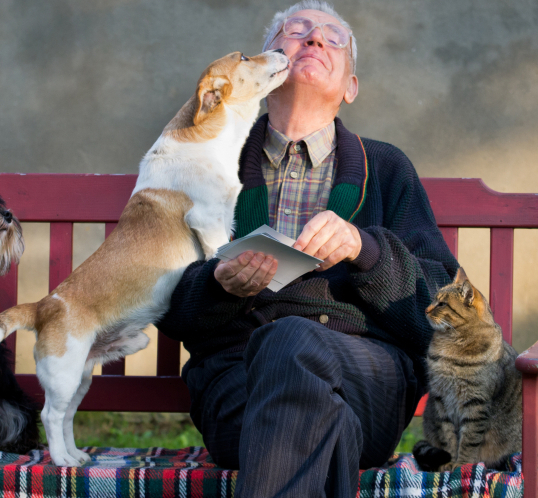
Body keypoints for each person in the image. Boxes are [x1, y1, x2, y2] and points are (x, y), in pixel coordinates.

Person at [156, 2, 459, 496]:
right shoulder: (208, 166)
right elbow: (165, 303)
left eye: (333, 38)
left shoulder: (386, 169)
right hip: (239, 384)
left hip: (366, 379)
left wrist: (366, 250)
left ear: (350, 87)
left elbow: (442, 313)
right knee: (321, 413)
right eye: (295, 31)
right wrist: (217, 284)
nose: (315, 39)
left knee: (292, 341)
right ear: (265, 67)